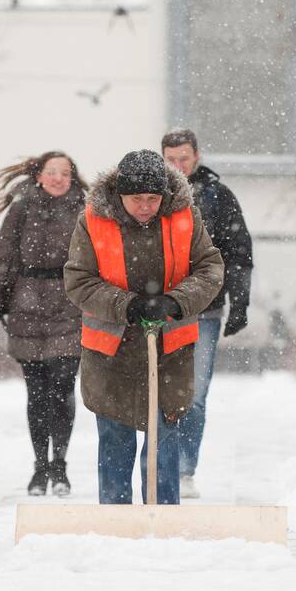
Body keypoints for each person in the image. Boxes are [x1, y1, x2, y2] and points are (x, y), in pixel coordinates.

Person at [64, 149, 223, 504]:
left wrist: (176, 301)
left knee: (164, 436)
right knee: (115, 437)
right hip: (110, 351)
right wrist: (126, 305)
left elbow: (210, 269)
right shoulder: (92, 220)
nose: (146, 207)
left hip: (170, 349)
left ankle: (163, 515)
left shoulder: (184, 217)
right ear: (120, 194)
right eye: (138, 199)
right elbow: (78, 281)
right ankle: (116, 517)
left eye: (153, 199)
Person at [0, 152, 88, 497]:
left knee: (63, 384)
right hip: (26, 304)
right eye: (52, 172)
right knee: (37, 392)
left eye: (65, 173)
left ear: (73, 178)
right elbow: (5, 255)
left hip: (70, 305)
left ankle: (60, 464)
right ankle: (40, 466)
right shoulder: (22, 208)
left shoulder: (86, 210)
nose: (58, 178)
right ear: (39, 176)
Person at [162, 128, 253, 498]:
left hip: (205, 310)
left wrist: (239, 302)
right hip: (160, 310)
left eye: (184, 158)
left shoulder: (217, 196)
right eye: (171, 159)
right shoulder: (152, 196)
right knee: (162, 391)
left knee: (195, 393)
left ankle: (185, 469)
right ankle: (162, 464)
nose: (178, 166)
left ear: (197, 156)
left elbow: (239, 253)